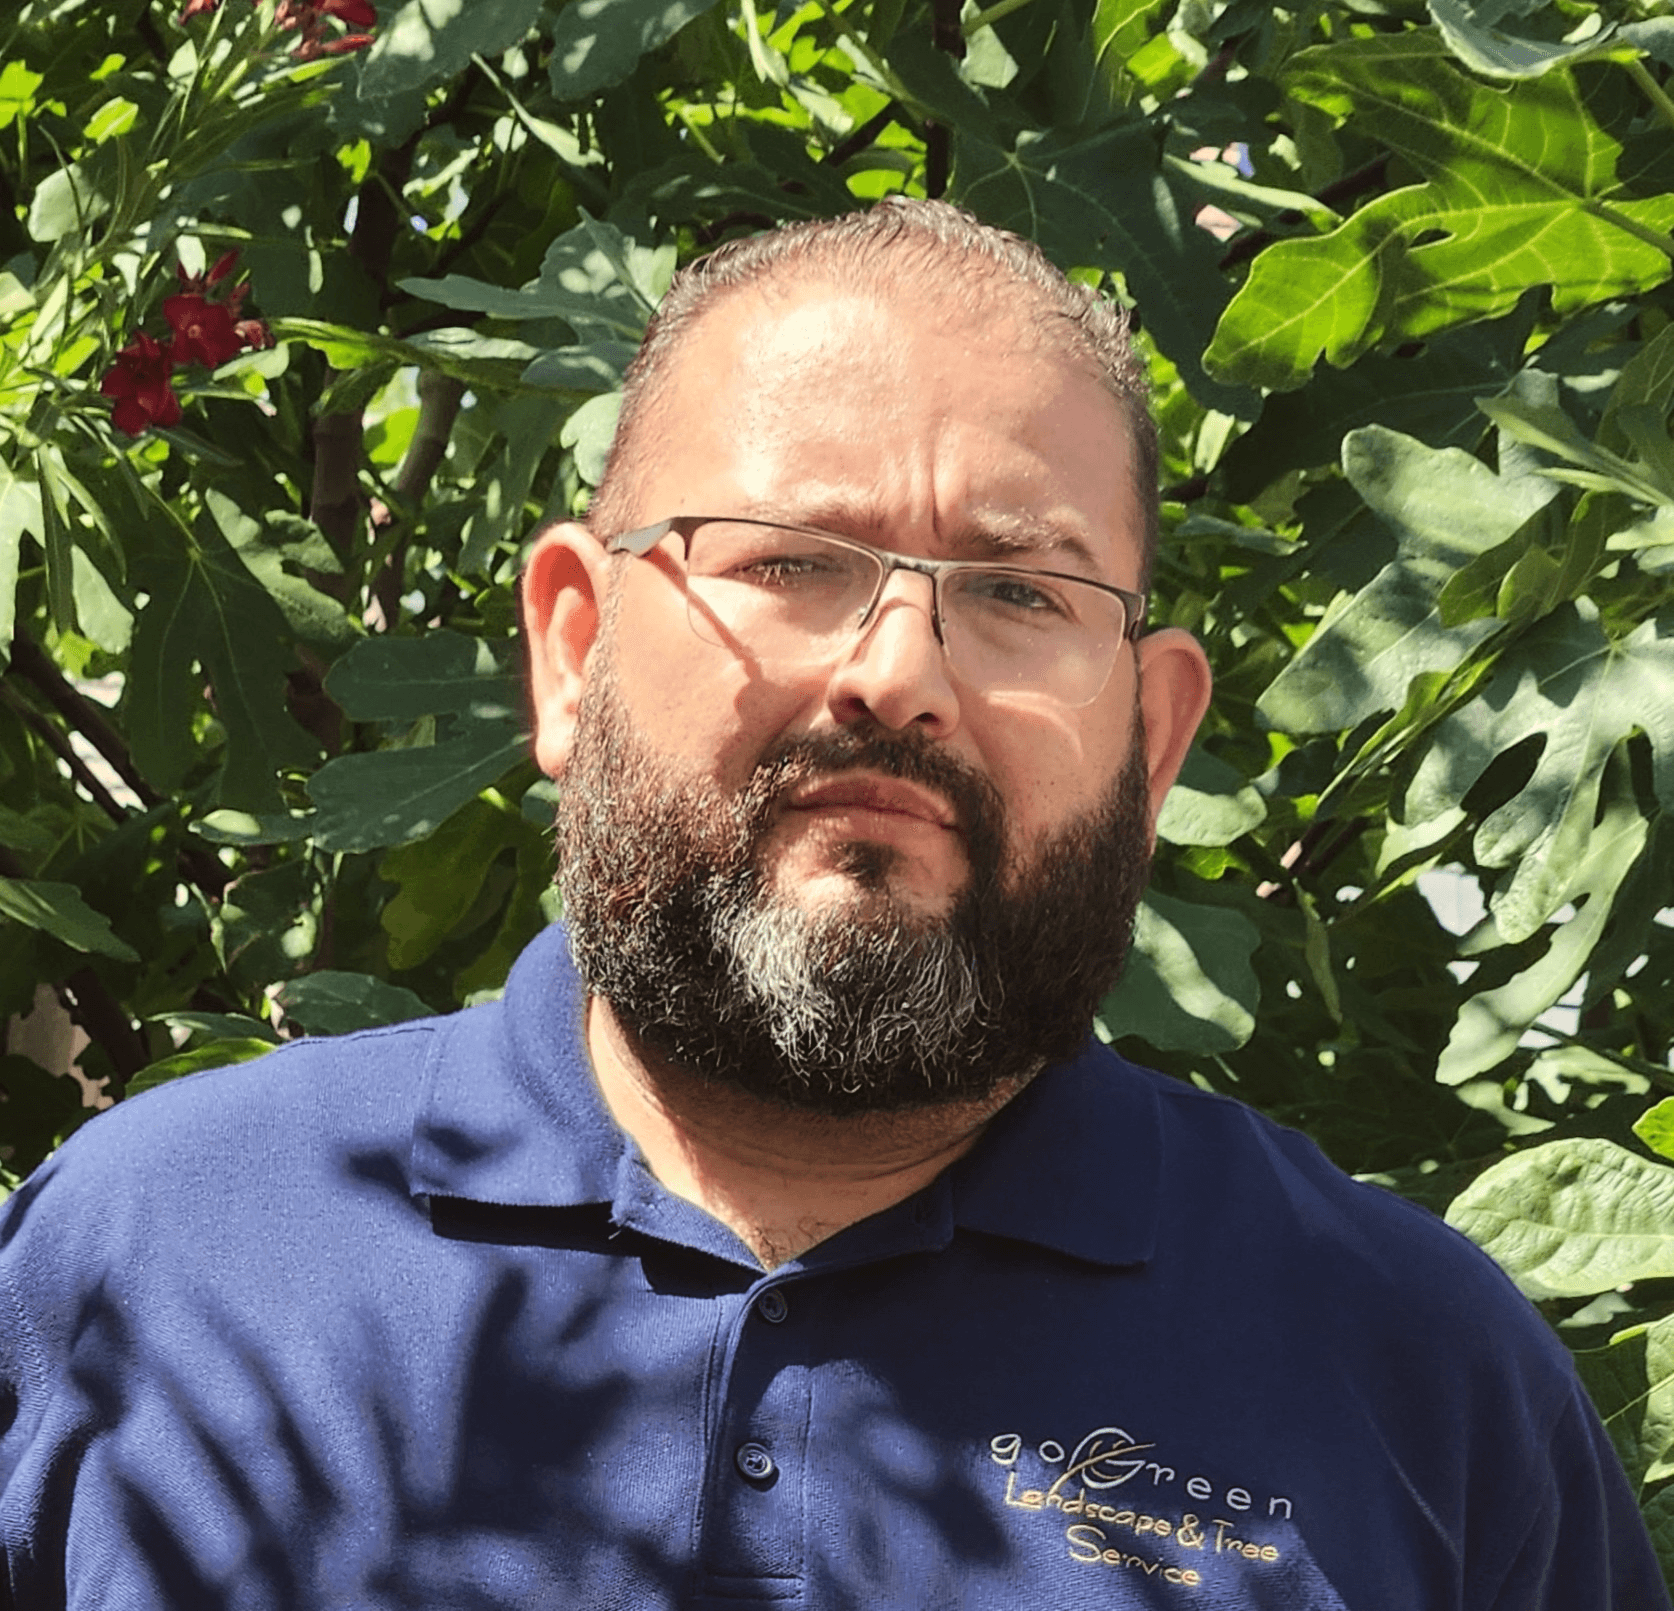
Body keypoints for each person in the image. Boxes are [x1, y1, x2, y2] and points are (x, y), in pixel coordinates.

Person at [0, 199, 1664, 1609]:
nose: (896, 674)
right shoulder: (142, 1254)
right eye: (791, 558)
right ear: (571, 651)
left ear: (1153, 739)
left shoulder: (1413, 1372)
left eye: (1018, 589)